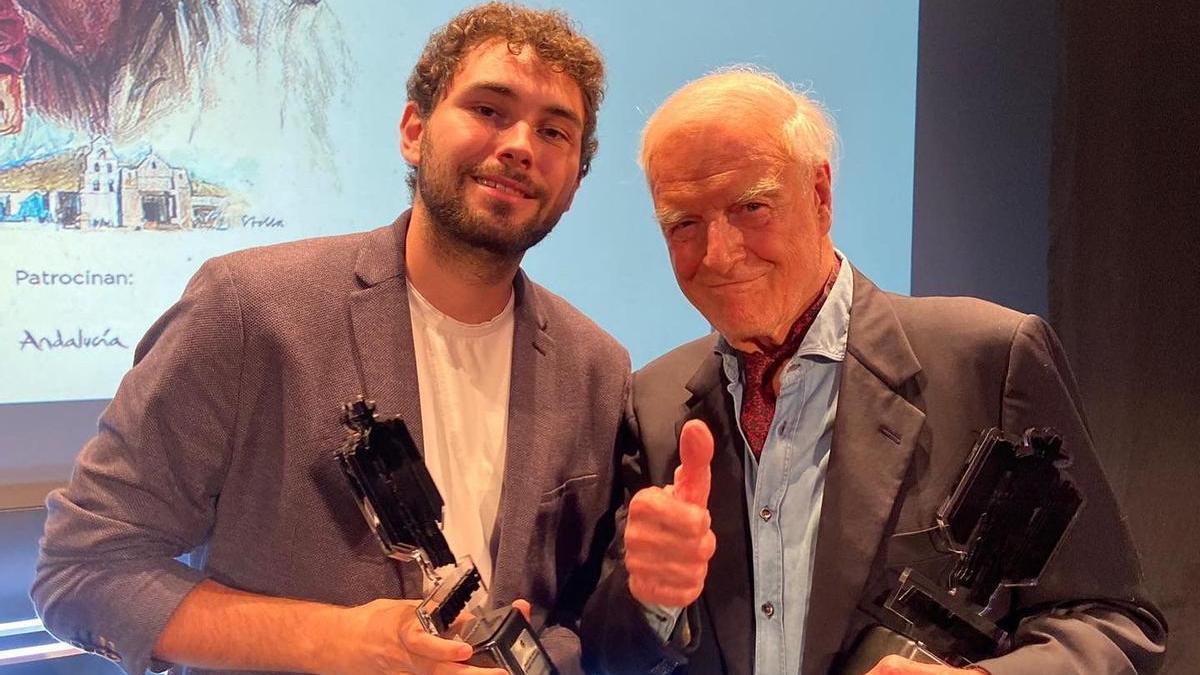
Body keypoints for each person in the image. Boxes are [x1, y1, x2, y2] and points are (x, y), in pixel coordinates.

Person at [32, 4, 627, 674]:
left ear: (575, 182)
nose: (520, 144)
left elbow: (574, 615)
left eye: (554, 131)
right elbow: (85, 566)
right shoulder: (248, 308)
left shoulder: (598, 368)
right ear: (413, 129)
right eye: (490, 109)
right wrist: (339, 642)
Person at [580, 69, 1167, 675]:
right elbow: (606, 655)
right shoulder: (653, 405)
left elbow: (1111, 624)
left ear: (820, 194)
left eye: (751, 207)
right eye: (683, 224)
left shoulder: (990, 360)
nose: (718, 255)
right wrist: (647, 600)